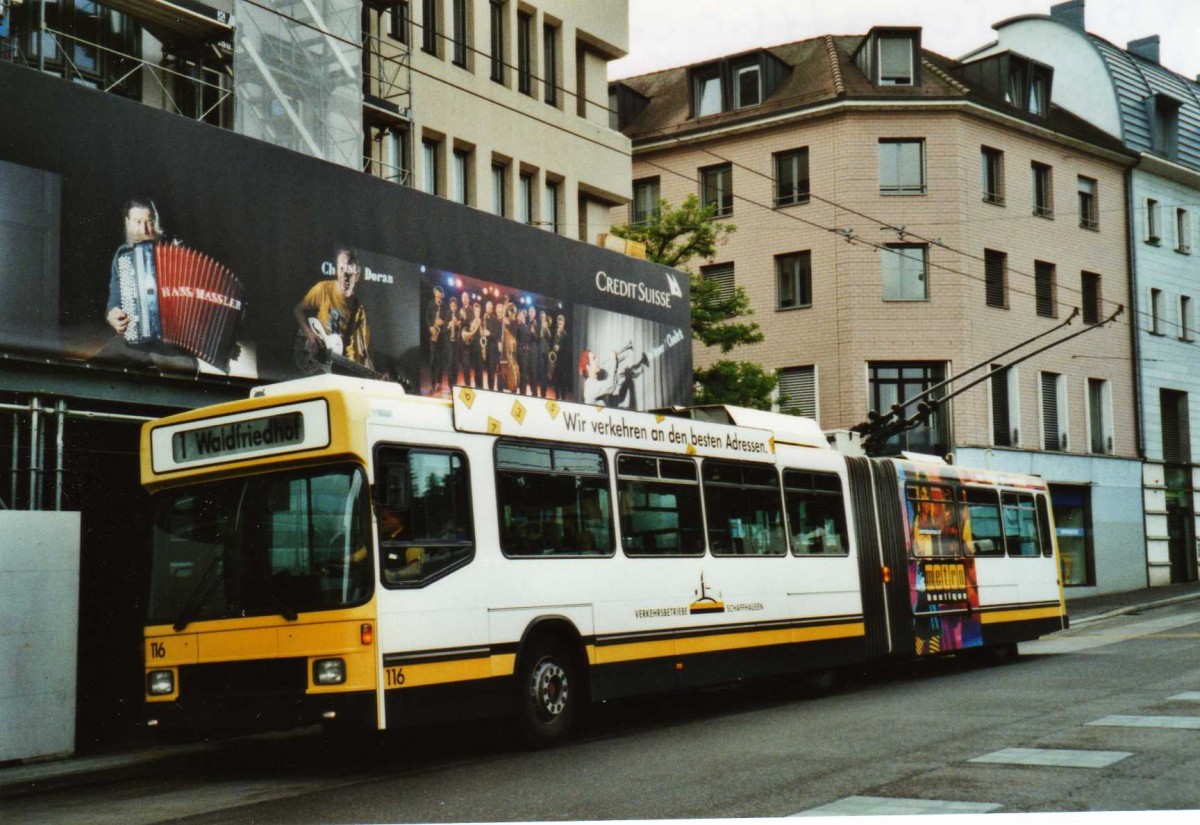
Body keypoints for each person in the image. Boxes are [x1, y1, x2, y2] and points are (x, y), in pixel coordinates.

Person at [97, 197, 197, 372]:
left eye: (148, 222)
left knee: (185, 377)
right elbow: (114, 296)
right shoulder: (123, 255)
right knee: (94, 369)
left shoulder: (175, 254)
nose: (143, 229)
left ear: (156, 224)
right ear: (127, 223)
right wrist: (112, 312)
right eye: (137, 222)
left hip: (171, 344)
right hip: (134, 339)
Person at [294, 248, 375, 371]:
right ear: (337, 269)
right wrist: (311, 336)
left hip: (343, 364)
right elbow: (298, 310)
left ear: (357, 276)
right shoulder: (323, 289)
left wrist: (373, 374)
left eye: (350, 273)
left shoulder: (359, 309)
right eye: (341, 269)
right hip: (320, 357)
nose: (344, 276)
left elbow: (363, 352)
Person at [579, 344, 649, 408]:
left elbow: (611, 364)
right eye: (594, 359)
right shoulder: (590, 387)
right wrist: (613, 360)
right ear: (588, 367)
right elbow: (611, 385)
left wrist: (626, 354)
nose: (597, 360)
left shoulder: (596, 379)